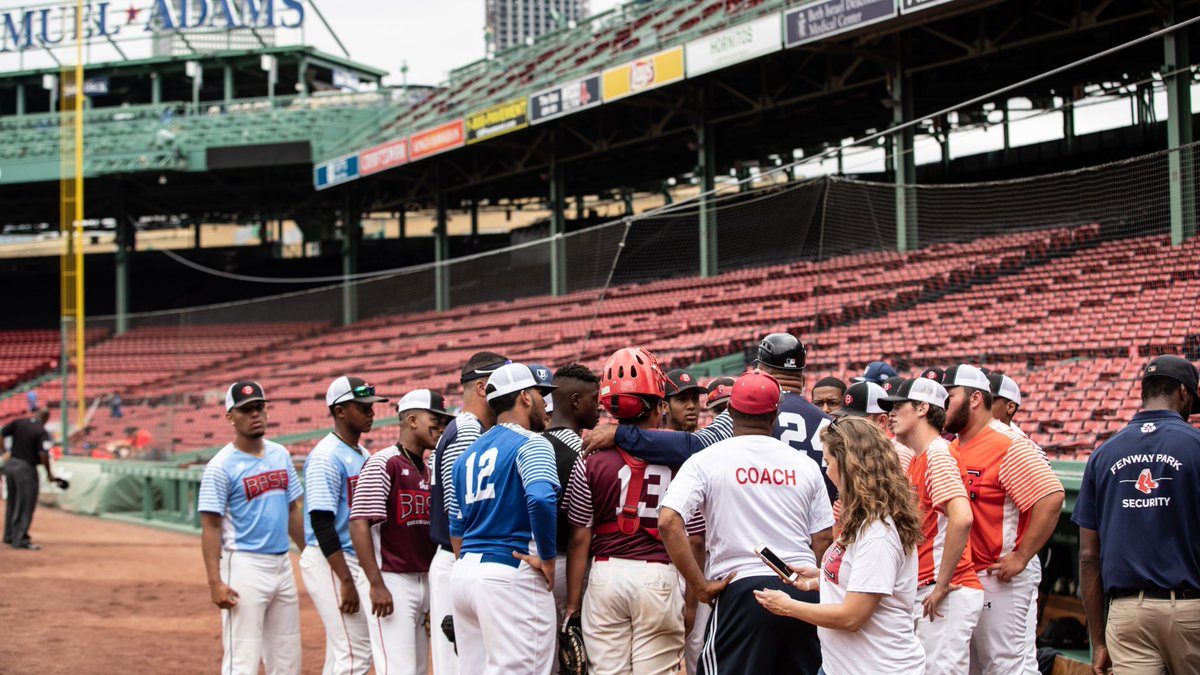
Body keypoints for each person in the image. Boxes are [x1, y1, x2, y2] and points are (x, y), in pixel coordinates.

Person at [660, 369, 834, 675]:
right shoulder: (804, 465)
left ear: (729, 410)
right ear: (775, 414)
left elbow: (669, 521)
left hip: (743, 591)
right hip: (802, 590)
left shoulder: (707, 459)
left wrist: (699, 586)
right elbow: (822, 540)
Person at [753, 416, 925, 675]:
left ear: (847, 464)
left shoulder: (878, 532)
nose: (826, 470)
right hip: (843, 666)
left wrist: (788, 606)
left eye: (828, 461)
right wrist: (816, 580)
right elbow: (862, 579)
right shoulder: (865, 518)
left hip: (877, 668)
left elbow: (852, 617)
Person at [564, 348, 699, 675]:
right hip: (660, 574)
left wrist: (572, 605)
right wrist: (693, 599)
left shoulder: (590, 458)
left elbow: (580, 537)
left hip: (605, 575)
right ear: (659, 404)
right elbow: (694, 536)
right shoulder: (683, 457)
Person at [587, 333, 832, 500]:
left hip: (762, 543)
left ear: (761, 370)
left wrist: (621, 433)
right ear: (802, 373)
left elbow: (695, 446)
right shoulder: (831, 425)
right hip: (816, 545)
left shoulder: (754, 412)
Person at [1073, 355, 1200, 675]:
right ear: (1184, 392)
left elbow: (1088, 556)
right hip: (1191, 610)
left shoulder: (1103, 453)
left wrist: (1098, 642)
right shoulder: (1196, 445)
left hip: (1128, 615)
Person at [942, 364, 1064, 675]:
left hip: (999, 576)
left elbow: (1051, 496)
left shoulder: (1007, 443)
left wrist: (1022, 555)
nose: (942, 405)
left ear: (974, 399)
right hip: (967, 575)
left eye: (950, 396)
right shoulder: (954, 445)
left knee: (1006, 667)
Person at [448, 363, 559, 675]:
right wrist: (548, 558)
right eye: (539, 393)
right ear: (524, 397)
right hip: (507, 572)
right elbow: (540, 497)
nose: (543, 401)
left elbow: (456, 526)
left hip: (465, 574)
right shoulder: (533, 442)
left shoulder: (467, 454)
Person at [198, 381, 305, 675]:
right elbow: (210, 525)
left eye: (259, 407)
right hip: (243, 564)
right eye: (246, 410)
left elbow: (292, 509)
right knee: (242, 656)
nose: (255, 414)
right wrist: (214, 581)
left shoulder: (280, 454)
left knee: (287, 653)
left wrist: (309, 554)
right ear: (231, 417)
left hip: (282, 563)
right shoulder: (220, 465)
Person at [881, 378, 983, 675]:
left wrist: (941, 584)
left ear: (923, 408)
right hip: (930, 588)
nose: (891, 414)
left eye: (899, 406)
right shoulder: (920, 456)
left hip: (945, 592)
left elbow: (962, 517)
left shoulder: (937, 453)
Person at [349, 389, 452, 675]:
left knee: (419, 668)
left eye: (444, 421)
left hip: (424, 578)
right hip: (392, 579)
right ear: (411, 420)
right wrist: (376, 583)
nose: (442, 427)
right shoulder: (384, 462)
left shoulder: (432, 468)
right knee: (398, 669)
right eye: (436, 418)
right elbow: (359, 523)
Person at [427, 351, 508, 675]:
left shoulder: (471, 429)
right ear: (481, 387)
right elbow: (458, 505)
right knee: (458, 665)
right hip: (457, 555)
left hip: (460, 558)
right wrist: (467, 567)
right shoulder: (467, 431)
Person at [302, 375, 389, 675]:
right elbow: (321, 523)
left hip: (351, 559)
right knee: (355, 652)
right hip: (332, 560)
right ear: (340, 411)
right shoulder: (325, 457)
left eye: (371, 407)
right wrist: (346, 581)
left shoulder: (362, 454)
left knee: (344, 650)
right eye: (362, 407)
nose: (371, 413)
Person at [542, 363, 601, 626]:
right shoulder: (585, 451)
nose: (599, 407)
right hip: (573, 566)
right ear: (576, 401)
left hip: (535, 565)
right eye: (595, 400)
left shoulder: (531, 444)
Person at [2, 408, 58, 550]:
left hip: (11, 465)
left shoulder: (19, 422)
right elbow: (43, 455)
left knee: (13, 502)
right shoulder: (41, 431)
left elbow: (1, 432)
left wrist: (4, 452)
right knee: (25, 503)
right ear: (46, 419)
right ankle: (20, 539)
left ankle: (9, 535)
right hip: (26, 468)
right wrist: (49, 473)